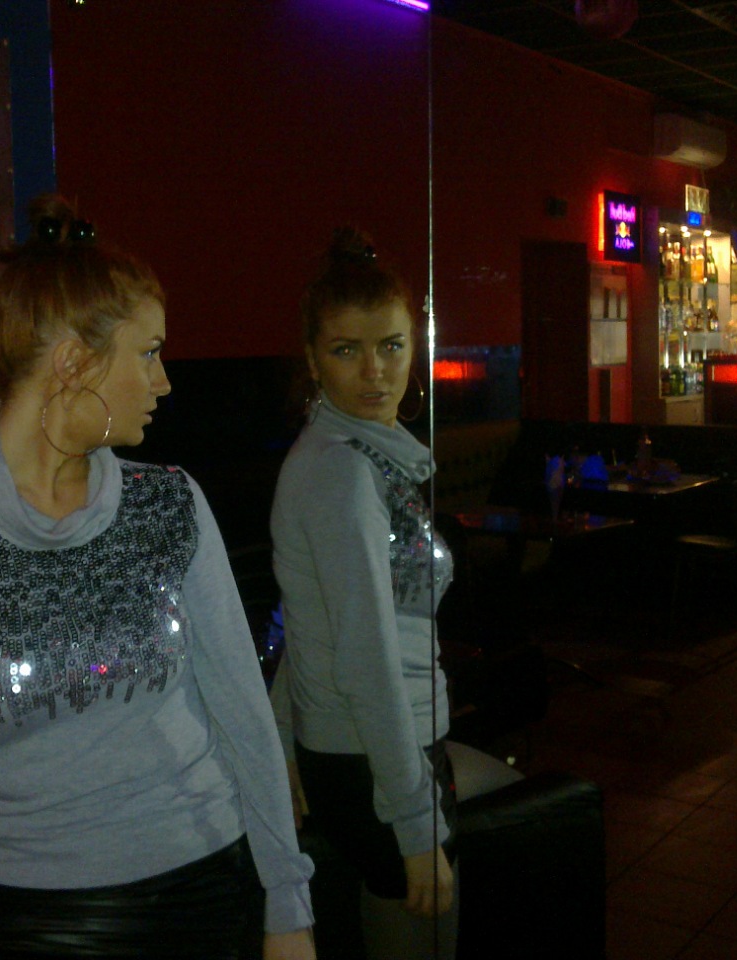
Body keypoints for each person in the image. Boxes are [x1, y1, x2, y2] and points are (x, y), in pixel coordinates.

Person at [0, 195, 315, 960]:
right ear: (73, 364)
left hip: (204, 888)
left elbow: (241, 712)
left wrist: (287, 903)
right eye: (148, 353)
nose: (164, 382)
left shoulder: (169, 503)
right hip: (20, 916)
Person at [270, 227, 456, 958]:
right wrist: (414, 822)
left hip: (366, 752)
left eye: (392, 345)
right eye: (348, 350)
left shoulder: (364, 457)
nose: (376, 371)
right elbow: (365, 657)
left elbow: (307, 620)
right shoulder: (341, 473)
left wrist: (285, 743)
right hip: (378, 762)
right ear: (313, 359)